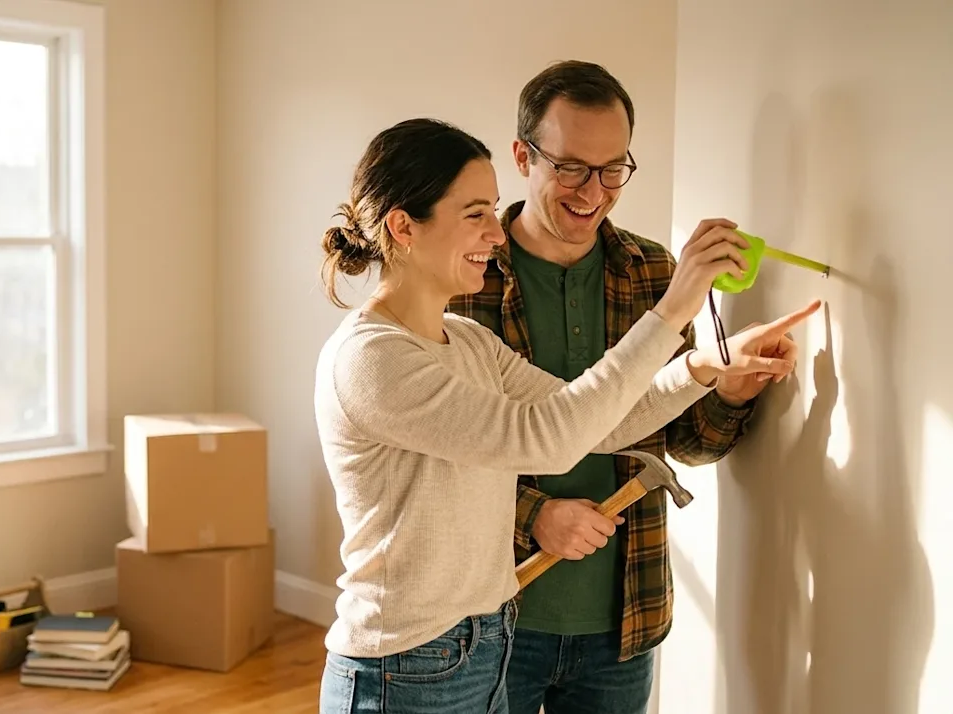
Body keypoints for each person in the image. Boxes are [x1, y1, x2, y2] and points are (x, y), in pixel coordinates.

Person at [313, 116, 819, 714]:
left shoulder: (467, 342)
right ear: (404, 226)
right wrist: (674, 309)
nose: (495, 235)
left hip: (483, 645)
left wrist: (706, 365)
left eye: (492, 211)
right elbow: (548, 440)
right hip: (406, 665)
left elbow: (596, 422)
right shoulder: (373, 359)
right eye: (474, 214)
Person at [445, 60, 813, 714]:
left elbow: (685, 445)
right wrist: (534, 516)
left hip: (625, 621)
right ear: (522, 156)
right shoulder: (467, 280)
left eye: (613, 168)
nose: (595, 191)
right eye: (572, 168)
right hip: (496, 614)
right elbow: (444, 459)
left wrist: (727, 390)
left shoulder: (653, 272)